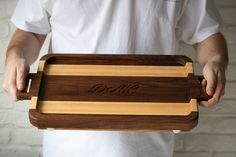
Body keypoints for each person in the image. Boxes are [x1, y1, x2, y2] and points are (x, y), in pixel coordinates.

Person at [2, 0, 228, 157]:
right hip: (65, 147)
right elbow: (30, 31)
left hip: (149, 149)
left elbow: (206, 34)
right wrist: (16, 55)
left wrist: (215, 61)